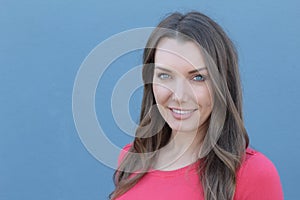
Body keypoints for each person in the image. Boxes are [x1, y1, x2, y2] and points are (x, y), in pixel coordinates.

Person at [110, 11, 283, 200]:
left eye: (197, 78)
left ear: (222, 84)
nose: (179, 95)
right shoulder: (132, 157)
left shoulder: (253, 173)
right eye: (165, 75)